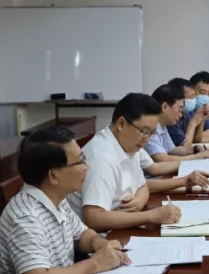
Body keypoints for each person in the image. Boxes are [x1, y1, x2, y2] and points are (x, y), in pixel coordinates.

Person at [0, 127, 131, 274]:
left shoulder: (56, 198)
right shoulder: (26, 217)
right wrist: (95, 263)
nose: (87, 166)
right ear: (54, 176)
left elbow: (82, 234)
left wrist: (101, 244)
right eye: (80, 161)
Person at [70, 93, 182, 231]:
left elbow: (142, 186)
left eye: (152, 133)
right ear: (121, 124)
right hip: (100, 236)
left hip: (122, 226)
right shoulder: (101, 158)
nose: (147, 139)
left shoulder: (130, 144)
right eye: (144, 131)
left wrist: (139, 201)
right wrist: (151, 216)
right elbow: (94, 217)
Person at [138, 84, 209, 193]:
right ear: (164, 107)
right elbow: (161, 160)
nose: (181, 115)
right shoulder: (148, 129)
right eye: (179, 109)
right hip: (154, 183)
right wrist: (195, 158)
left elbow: (172, 150)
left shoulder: (162, 126)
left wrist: (195, 149)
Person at [166, 77, 206, 149]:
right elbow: (185, 147)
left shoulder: (185, 113)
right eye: (191, 97)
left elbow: (196, 140)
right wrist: (193, 123)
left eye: (194, 97)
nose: (194, 100)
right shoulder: (171, 118)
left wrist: (201, 119)